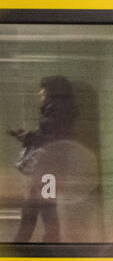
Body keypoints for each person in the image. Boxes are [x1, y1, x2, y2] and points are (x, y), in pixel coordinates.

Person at [10, 75, 78, 242]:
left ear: (51, 93)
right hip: (47, 168)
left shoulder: (58, 113)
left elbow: (53, 141)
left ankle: (49, 244)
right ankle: (23, 242)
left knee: (45, 208)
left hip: (50, 169)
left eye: (43, 89)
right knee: (33, 207)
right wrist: (28, 136)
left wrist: (28, 137)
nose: (40, 93)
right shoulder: (55, 112)